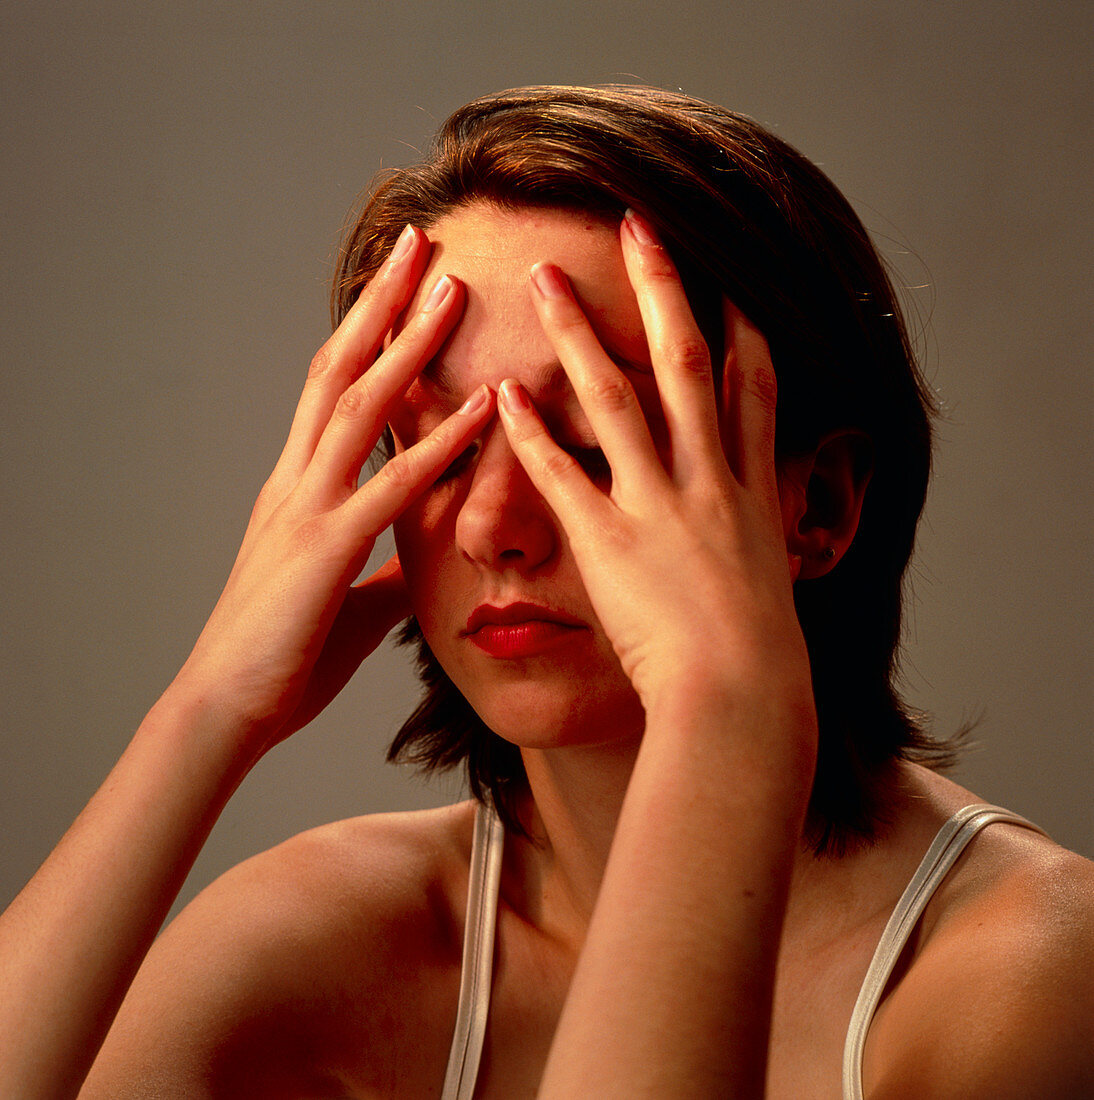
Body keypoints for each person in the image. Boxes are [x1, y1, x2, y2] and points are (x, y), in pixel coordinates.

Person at [1, 85, 1090, 1099]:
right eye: (434, 448)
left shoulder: (1028, 973)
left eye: (587, 439)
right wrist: (206, 711)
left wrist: (725, 711)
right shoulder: (319, 936)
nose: (489, 528)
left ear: (817, 507)